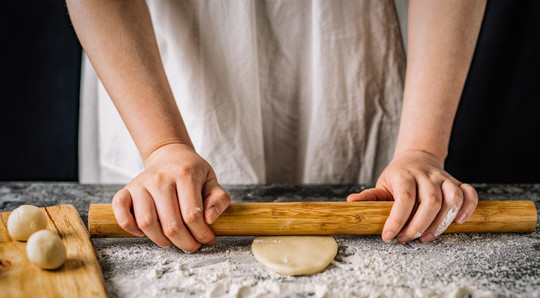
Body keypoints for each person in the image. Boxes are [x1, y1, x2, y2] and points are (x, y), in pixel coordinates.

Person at [66, 0, 485, 252]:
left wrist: (421, 149)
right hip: (159, 78)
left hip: (345, 64)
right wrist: (162, 145)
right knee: (172, 212)